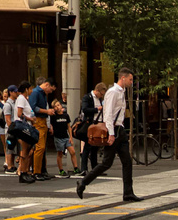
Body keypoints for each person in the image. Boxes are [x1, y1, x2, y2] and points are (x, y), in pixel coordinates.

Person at [76, 67, 137, 204]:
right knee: (106, 163)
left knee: (127, 161)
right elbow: (108, 114)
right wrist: (111, 133)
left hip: (120, 130)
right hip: (114, 130)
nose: (131, 82)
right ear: (123, 78)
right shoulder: (113, 92)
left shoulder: (122, 92)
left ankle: (128, 193)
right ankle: (83, 183)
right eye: (130, 79)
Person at [26, 78, 57, 180]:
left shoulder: (41, 93)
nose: (50, 92)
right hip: (38, 121)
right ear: (47, 85)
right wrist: (47, 111)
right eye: (51, 89)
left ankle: (41, 170)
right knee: (40, 147)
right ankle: (36, 172)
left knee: (42, 148)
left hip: (42, 121)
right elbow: (33, 107)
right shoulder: (36, 93)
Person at [78, 83, 103, 175]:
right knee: (87, 146)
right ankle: (84, 168)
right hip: (90, 124)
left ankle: (95, 168)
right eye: (101, 94)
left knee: (95, 147)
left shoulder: (99, 99)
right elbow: (85, 109)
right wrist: (97, 109)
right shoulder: (87, 97)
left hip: (98, 124)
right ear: (97, 91)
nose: (102, 96)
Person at [50, 99, 74, 177]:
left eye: (58, 105)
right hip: (58, 137)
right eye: (56, 106)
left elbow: (69, 127)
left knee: (72, 152)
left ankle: (76, 168)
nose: (58, 107)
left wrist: (71, 137)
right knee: (60, 153)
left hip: (66, 136)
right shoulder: (53, 117)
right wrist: (51, 128)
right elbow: (51, 124)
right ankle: (61, 170)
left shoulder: (66, 115)